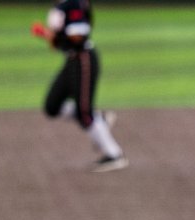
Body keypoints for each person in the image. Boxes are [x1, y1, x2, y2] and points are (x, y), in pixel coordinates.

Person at [31, 0, 127, 172]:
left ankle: (114, 155)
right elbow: (59, 42)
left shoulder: (74, 4)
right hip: (71, 60)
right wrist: (47, 35)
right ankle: (100, 119)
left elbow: (79, 36)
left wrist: (54, 36)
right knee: (52, 106)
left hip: (84, 60)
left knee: (84, 112)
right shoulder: (61, 5)